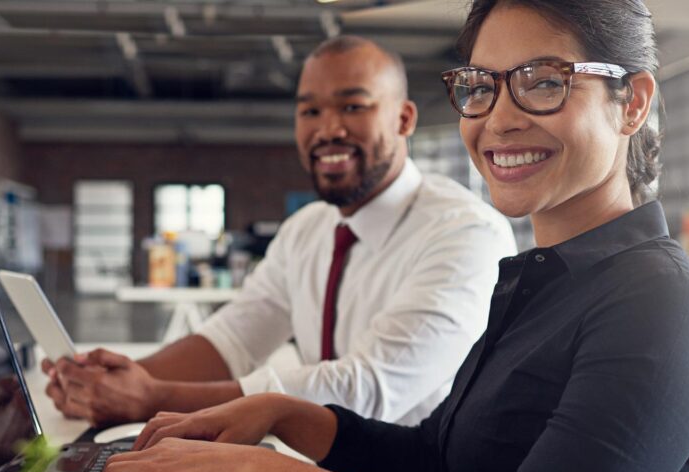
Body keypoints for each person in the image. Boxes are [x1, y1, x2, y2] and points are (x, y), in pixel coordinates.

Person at [97, 1, 689, 472]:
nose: (499, 120)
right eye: (481, 88)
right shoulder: (547, 282)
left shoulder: (661, 305)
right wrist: (284, 415)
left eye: (544, 83)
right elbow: (440, 463)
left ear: (632, 102)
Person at [44, 36, 516, 427]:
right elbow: (231, 341)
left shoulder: (466, 235)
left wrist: (153, 398)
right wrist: (113, 383)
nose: (328, 129)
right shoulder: (306, 230)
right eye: (309, 112)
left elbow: (364, 391)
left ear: (403, 119)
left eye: (353, 105)